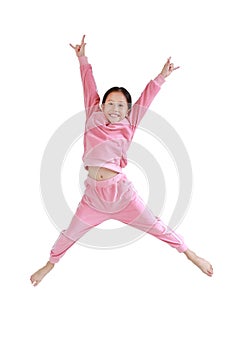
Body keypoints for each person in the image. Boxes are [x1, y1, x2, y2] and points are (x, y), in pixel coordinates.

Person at [30, 35, 213, 286]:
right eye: (111, 103)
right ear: (103, 105)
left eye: (121, 105)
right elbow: (88, 84)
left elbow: (146, 99)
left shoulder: (129, 123)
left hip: (121, 194)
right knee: (69, 234)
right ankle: (48, 265)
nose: (115, 109)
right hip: (93, 197)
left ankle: (193, 255)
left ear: (127, 110)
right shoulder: (93, 113)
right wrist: (82, 58)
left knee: (157, 226)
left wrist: (161, 76)